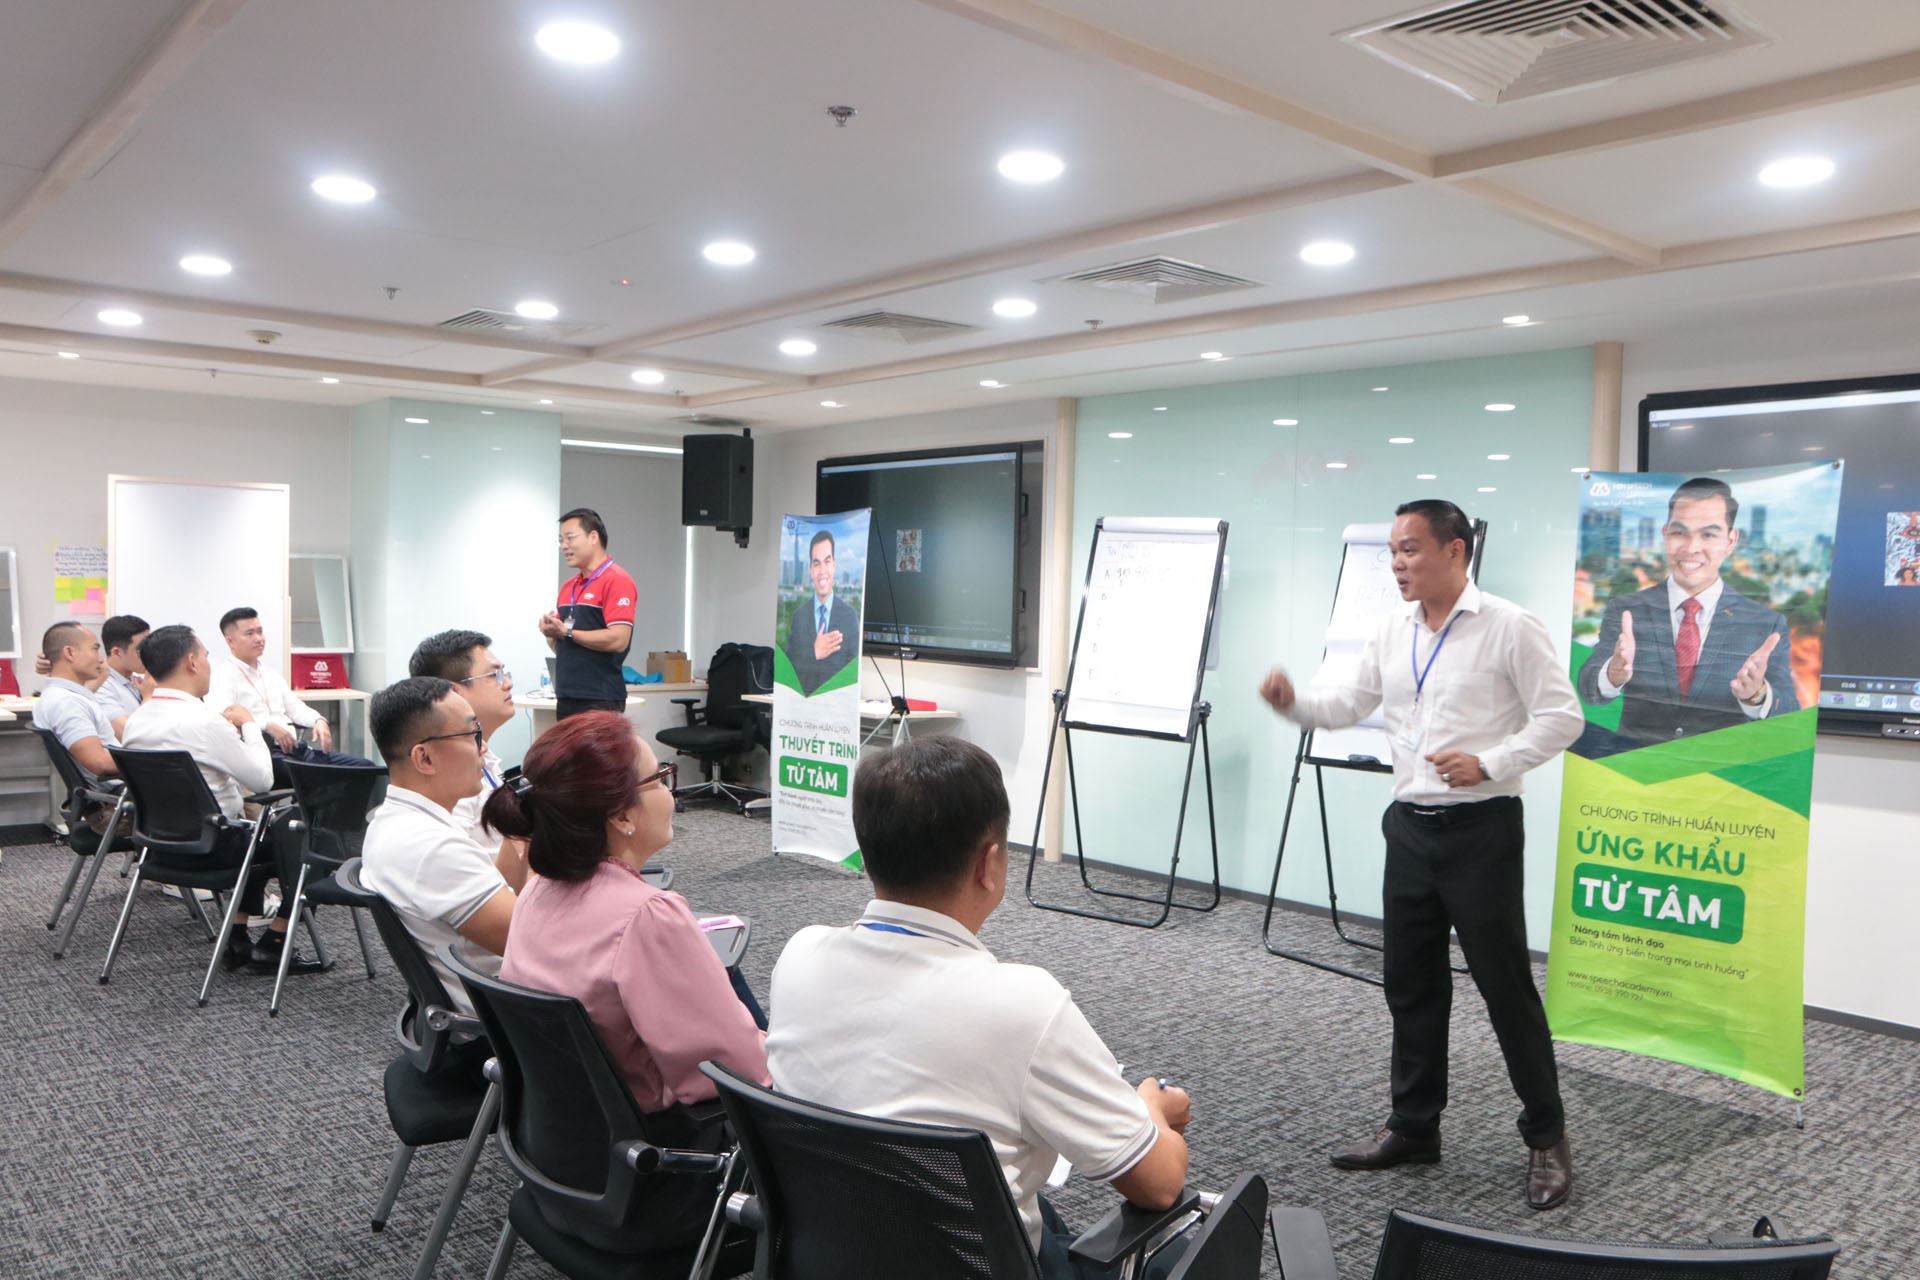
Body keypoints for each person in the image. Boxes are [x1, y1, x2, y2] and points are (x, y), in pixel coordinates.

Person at [1259, 499, 1583, 1211]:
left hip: (1481, 830)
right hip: (1408, 827)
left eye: (1410, 549)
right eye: (1393, 552)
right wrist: (1293, 704)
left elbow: (1564, 716)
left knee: (1504, 988)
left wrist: (1491, 762)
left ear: (1455, 550)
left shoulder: (1509, 626)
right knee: (1410, 984)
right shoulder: (1392, 630)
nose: (1398, 564)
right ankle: (1414, 1126)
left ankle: (1547, 1137)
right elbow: (1349, 704)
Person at [766, 737, 1192, 1277]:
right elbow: (1158, 1185)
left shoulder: (799, 955)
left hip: (833, 1252)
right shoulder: (1025, 1006)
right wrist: (1152, 1109)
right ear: (989, 864)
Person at [491, 712, 768, 1149]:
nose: (669, 792)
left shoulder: (537, 887)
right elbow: (736, 1070)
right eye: (659, 779)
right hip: (661, 1149)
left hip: (564, 1139)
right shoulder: (645, 916)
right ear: (621, 815)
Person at [120, 624, 325, 976]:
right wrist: (248, 725)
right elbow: (261, 779)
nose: (208, 663)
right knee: (311, 833)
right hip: (215, 849)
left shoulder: (137, 721)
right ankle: (276, 941)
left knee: (257, 830)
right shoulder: (204, 722)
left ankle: (238, 936)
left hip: (159, 848)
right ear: (191, 662)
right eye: (205, 655)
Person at [1576, 477, 1796, 750]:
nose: (1691, 548)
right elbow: (1588, 687)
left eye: (1709, 535)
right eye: (1680, 532)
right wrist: (1612, 674)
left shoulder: (1764, 624)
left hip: (1719, 772)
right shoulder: (1627, 611)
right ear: (1666, 534)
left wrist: (1757, 695)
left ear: (1730, 540)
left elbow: (1789, 710)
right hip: (1633, 767)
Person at [359, 677, 520, 1019]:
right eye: (473, 734)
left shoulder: (395, 821)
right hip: (514, 1015)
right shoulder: (432, 847)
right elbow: (533, 940)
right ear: (425, 758)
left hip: (496, 995)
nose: (483, 748)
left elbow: (504, 894)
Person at [207, 606, 373, 778]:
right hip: (263, 755)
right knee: (320, 776)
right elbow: (223, 717)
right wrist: (267, 725)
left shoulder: (270, 674)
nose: (259, 639)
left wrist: (318, 720)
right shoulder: (223, 676)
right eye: (249, 633)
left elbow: (295, 708)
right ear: (231, 641)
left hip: (295, 750)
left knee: (365, 768)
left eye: (260, 631)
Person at [408, 629, 520, 856]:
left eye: (504, 674)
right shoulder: (450, 774)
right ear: (452, 692)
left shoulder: (482, 755)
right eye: (494, 676)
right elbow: (451, 861)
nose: (507, 684)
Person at [539, 507, 637, 719]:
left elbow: (619, 640)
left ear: (593, 537)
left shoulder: (617, 580)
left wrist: (566, 632)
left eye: (570, 538)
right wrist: (551, 633)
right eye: (560, 540)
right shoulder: (568, 587)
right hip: (567, 694)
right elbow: (564, 647)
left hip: (600, 697)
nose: (564, 546)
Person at [32, 622, 120, 780]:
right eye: (95, 649)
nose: (100, 659)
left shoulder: (60, 695)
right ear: (70, 653)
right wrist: (149, 762)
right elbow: (99, 762)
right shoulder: (66, 703)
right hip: (122, 788)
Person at [783, 529, 859, 696]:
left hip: (837, 706)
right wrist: (814, 653)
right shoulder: (798, 618)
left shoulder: (849, 617)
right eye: (816, 563)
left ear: (834, 565)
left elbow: (852, 675)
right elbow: (788, 672)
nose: (822, 571)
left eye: (827, 561)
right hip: (803, 706)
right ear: (811, 569)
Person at [93, 614, 151, 736]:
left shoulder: (136, 680)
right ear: (117, 652)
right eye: (141, 650)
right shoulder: (101, 686)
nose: (149, 654)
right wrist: (148, 698)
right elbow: (128, 733)